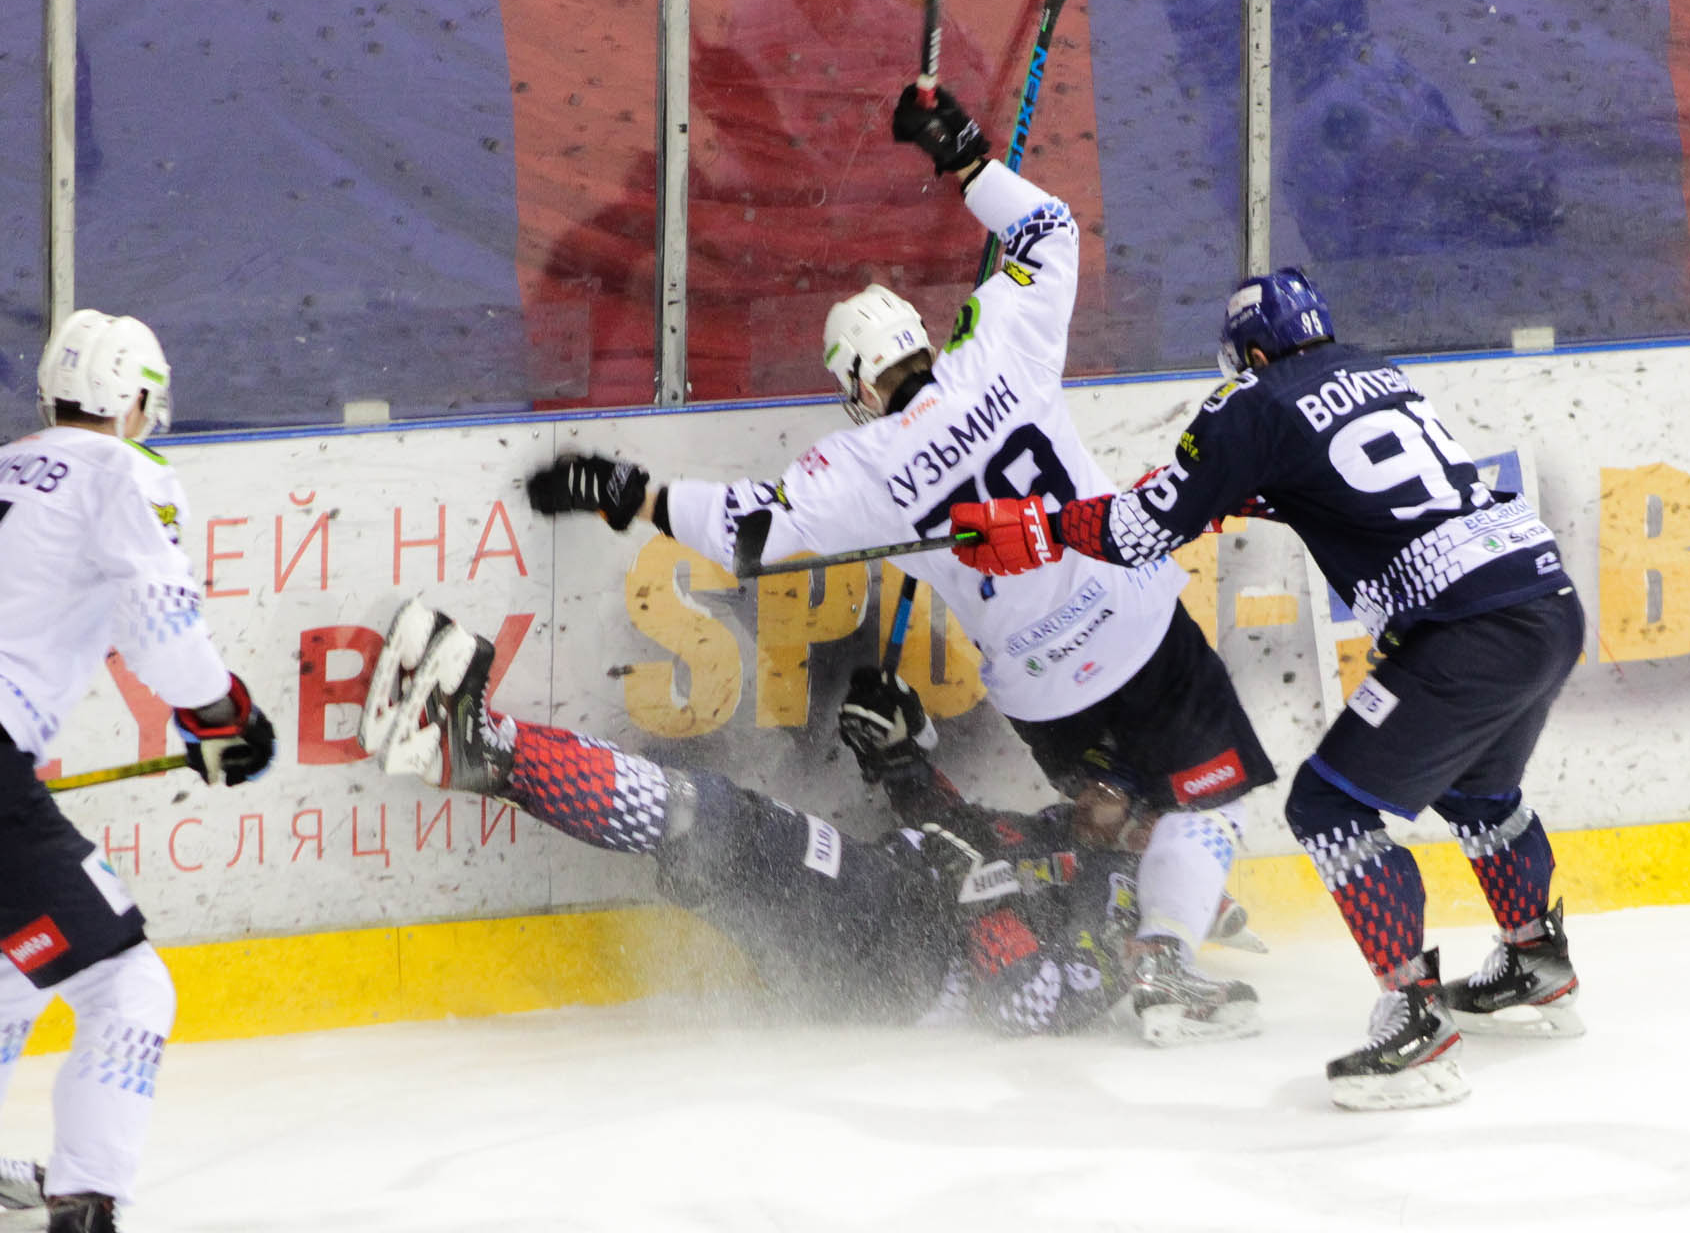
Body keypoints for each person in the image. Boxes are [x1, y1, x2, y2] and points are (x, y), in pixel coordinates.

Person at [525, 82, 1276, 1045]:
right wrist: (962, 155)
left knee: (1107, 803)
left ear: (856, 385)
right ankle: (1167, 949)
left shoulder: (860, 466)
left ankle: (1164, 888)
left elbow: (748, 532)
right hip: (1135, 632)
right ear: (920, 336)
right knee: (1211, 800)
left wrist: (626, 493)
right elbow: (1050, 230)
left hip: (1044, 695)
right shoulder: (999, 349)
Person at [944, 268, 1585, 1110]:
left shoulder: (1250, 401)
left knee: (1328, 807)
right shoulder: (1374, 371)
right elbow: (1345, 483)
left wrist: (1039, 527)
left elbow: (1140, 530)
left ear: (1249, 355)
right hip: (1545, 600)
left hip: (1464, 630)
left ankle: (1416, 1026)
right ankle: (1535, 960)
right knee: (1480, 792)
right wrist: (1230, 493)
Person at [359, 597, 1256, 1035]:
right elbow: (970, 842)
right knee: (705, 841)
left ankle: (483, 747)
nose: (1086, 793)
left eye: (1110, 790)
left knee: (715, 823)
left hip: (896, 957)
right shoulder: (1070, 840)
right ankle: (473, 751)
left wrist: (981, 899)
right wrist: (904, 764)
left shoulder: (1129, 905)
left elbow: (1032, 1004)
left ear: (1150, 826)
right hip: (877, 927)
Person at [0, 312, 277, 1232]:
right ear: (130, 398)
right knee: (127, 985)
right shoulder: (123, 471)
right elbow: (159, 622)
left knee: (10, 971)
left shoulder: (5, 466)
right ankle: (87, 1201)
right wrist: (220, 712)